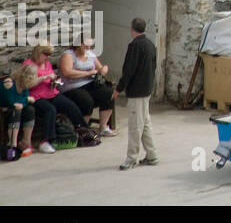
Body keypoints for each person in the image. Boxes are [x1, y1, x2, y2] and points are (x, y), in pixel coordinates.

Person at [23, 42, 88, 154]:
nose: (48, 57)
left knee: (70, 105)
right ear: (39, 52)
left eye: (49, 54)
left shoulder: (47, 63)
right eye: (46, 54)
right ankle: (46, 141)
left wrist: (55, 81)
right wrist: (43, 77)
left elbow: (52, 77)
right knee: (50, 110)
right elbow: (26, 84)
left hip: (51, 93)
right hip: (35, 97)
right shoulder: (28, 64)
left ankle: (85, 131)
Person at [114, 17, 157, 170]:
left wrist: (118, 88)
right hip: (146, 90)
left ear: (132, 29)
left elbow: (128, 70)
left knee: (135, 126)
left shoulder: (134, 46)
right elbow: (154, 67)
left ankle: (131, 158)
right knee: (145, 123)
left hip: (137, 91)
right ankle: (152, 155)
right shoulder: (151, 45)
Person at [59, 37, 115, 136]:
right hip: (72, 86)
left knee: (108, 92)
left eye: (90, 46)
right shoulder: (69, 55)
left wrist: (104, 69)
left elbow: (100, 68)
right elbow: (67, 72)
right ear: (79, 44)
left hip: (89, 83)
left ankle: (103, 127)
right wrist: (87, 73)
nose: (88, 48)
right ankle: (83, 129)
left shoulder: (90, 53)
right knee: (86, 100)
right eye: (85, 46)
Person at [2, 67, 37, 159]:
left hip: (17, 105)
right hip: (6, 106)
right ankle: (12, 143)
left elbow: (25, 99)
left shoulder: (24, 85)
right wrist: (25, 101)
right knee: (16, 111)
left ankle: (26, 141)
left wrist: (24, 101)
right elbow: (10, 100)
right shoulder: (10, 83)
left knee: (30, 110)